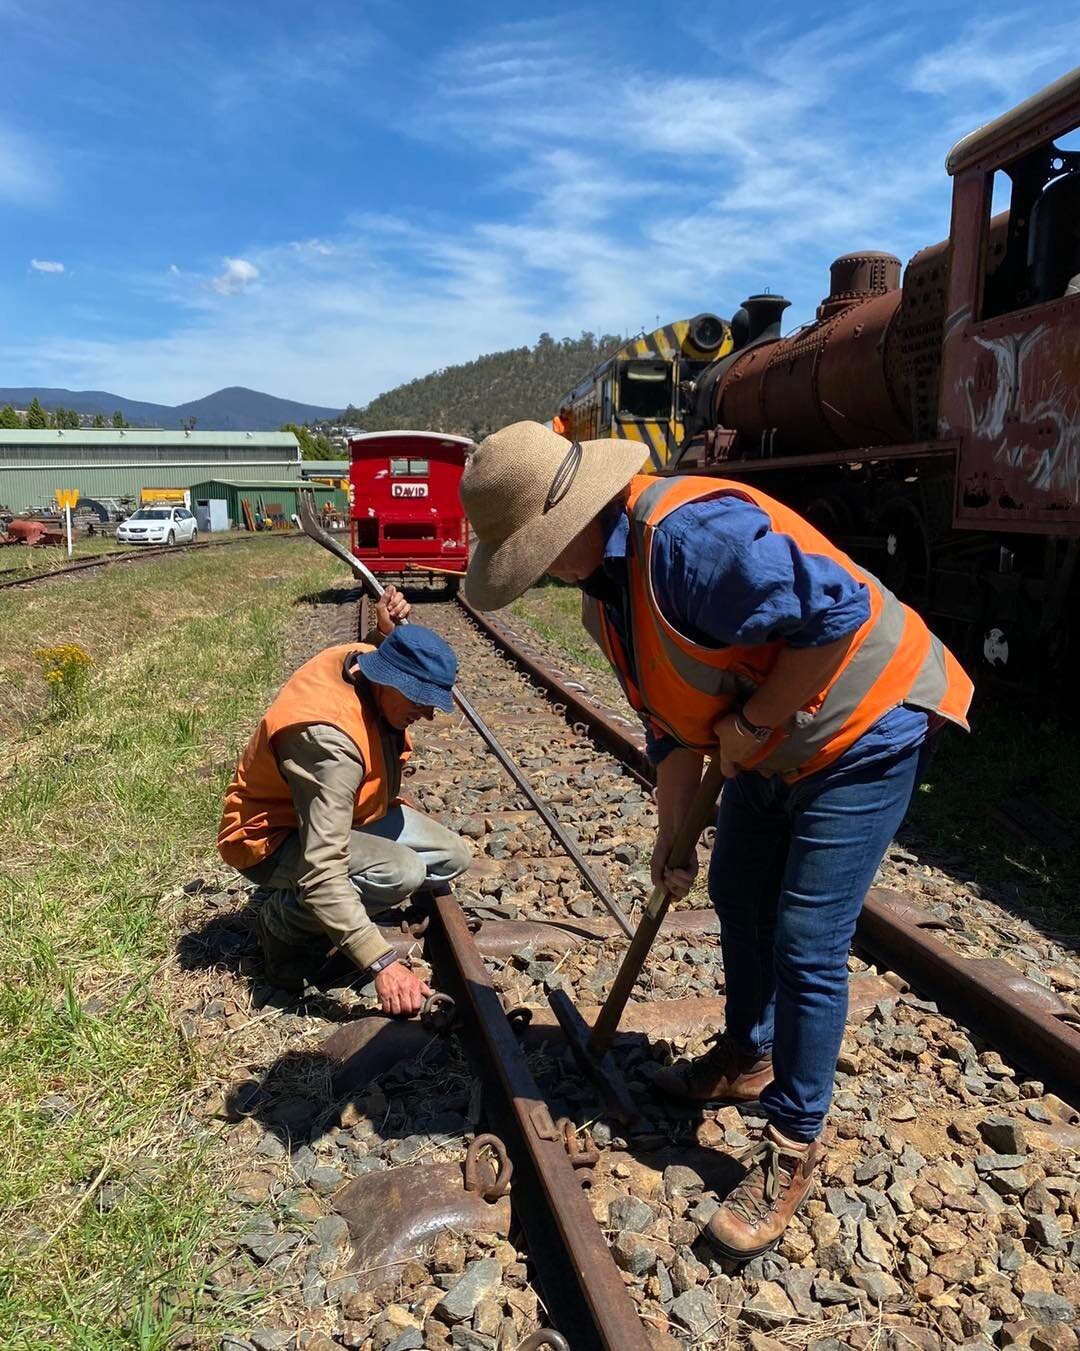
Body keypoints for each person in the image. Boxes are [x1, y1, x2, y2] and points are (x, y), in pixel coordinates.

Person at [459, 421, 973, 1259]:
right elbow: (671, 731)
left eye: (539, 551)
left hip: (866, 720)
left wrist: (756, 720)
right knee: (735, 888)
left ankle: (794, 1142)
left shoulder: (693, 541)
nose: (542, 572)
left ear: (579, 518)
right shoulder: (605, 603)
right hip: (770, 743)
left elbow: (838, 618)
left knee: (808, 938)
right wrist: (672, 836)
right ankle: (749, 1052)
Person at [217, 587, 471, 1016]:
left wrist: (384, 632)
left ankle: (336, 903)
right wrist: (381, 962)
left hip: (343, 810)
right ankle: (280, 922)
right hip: (271, 838)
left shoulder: (362, 660)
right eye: (421, 701)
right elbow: (322, 872)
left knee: (450, 856)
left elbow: (378, 653)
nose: (428, 716)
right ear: (387, 681)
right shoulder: (330, 746)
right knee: (402, 872)